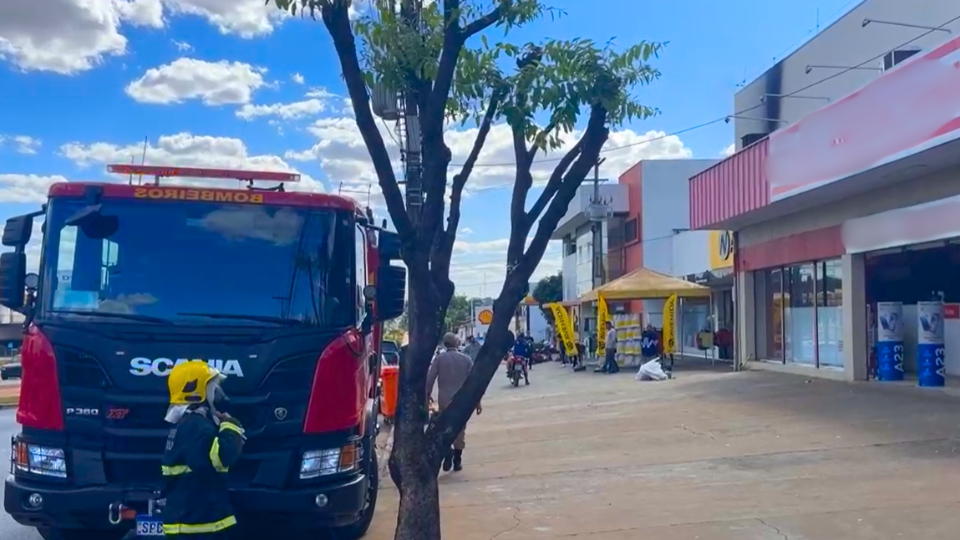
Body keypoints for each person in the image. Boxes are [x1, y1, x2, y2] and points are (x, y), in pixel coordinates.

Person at [161, 361, 245, 539]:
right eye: (213, 387)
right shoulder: (196, 426)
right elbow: (221, 457)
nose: (219, 393)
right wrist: (231, 427)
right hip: (198, 525)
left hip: (192, 521)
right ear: (197, 391)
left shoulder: (187, 423)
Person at [426, 333, 482, 472]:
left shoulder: (439, 359)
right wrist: (478, 402)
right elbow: (475, 382)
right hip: (463, 399)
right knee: (460, 429)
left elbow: (430, 379)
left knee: (445, 428)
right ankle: (457, 460)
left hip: (445, 399)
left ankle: (447, 452)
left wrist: (427, 396)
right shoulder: (466, 359)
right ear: (457, 343)